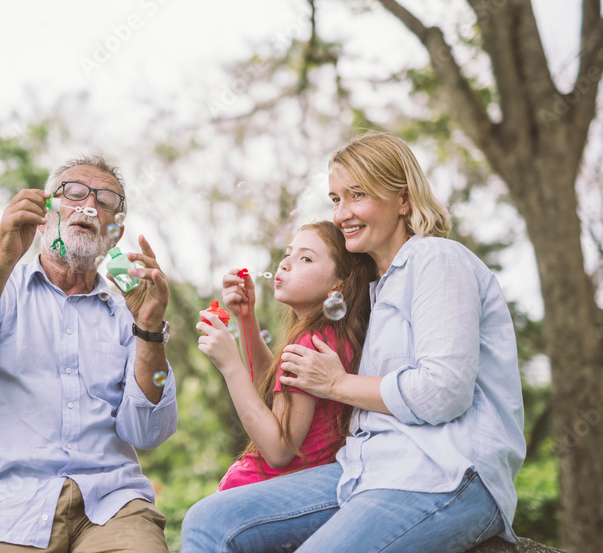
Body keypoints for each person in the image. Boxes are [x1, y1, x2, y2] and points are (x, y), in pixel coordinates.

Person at [182, 133, 526, 553]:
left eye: (357, 195)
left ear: (403, 199)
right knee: (209, 519)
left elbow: (444, 392)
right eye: (335, 198)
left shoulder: (438, 259)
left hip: (445, 474)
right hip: (365, 469)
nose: (341, 212)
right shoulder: (375, 293)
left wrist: (335, 383)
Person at [0, 154, 178, 553]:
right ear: (44, 214)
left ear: (115, 232)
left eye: (107, 201)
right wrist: (2, 260)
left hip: (113, 506)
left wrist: (148, 328)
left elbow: (147, 433)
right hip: (4, 511)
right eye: (73, 194)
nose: (89, 206)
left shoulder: (132, 305)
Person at [197, 221, 374, 491]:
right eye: (288, 254)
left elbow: (278, 450)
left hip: (268, 493)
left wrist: (231, 365)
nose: (286, 264)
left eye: (305, 258)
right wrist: (245, 317)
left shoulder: (309, 345)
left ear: (339, 284)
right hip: (287, 489)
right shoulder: (330, 338)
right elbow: (272, 395)